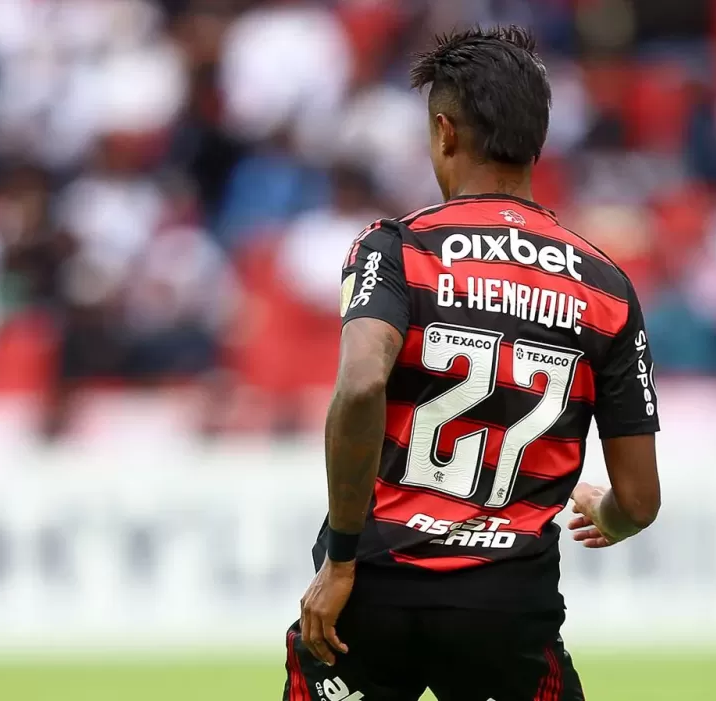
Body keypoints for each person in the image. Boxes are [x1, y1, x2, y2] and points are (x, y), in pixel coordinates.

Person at [285, 26, 661, 701]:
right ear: (538, 140)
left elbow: (362, 383)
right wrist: (610, 517)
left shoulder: (394, 249)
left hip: (373, 585)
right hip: (505, 604)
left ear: (444, 132)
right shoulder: (604, 286)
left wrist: (339, 561)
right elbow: (638, 500)